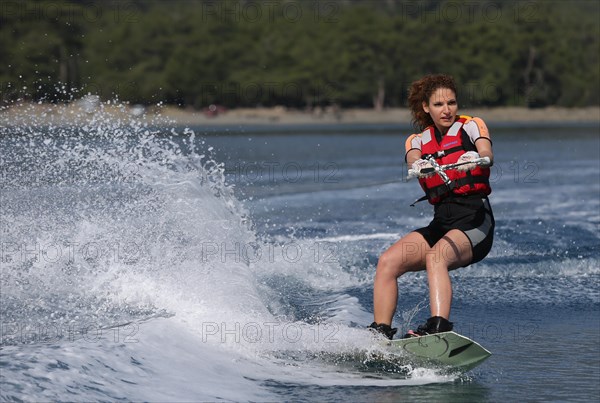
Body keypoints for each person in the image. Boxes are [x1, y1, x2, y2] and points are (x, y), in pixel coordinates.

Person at [368, 74, 495, 339]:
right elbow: (413, 156)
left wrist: (477, 157)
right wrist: (418, 165)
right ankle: (380, 333)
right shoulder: (417, 140)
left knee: (436, 257)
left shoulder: (471, 126)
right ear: (426, 107)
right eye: (439, 104)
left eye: (451, 102)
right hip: (442, 222)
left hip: (474, 221)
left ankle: (439, 327)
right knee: (387, 262)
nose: (447, 110)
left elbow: (487, 152)